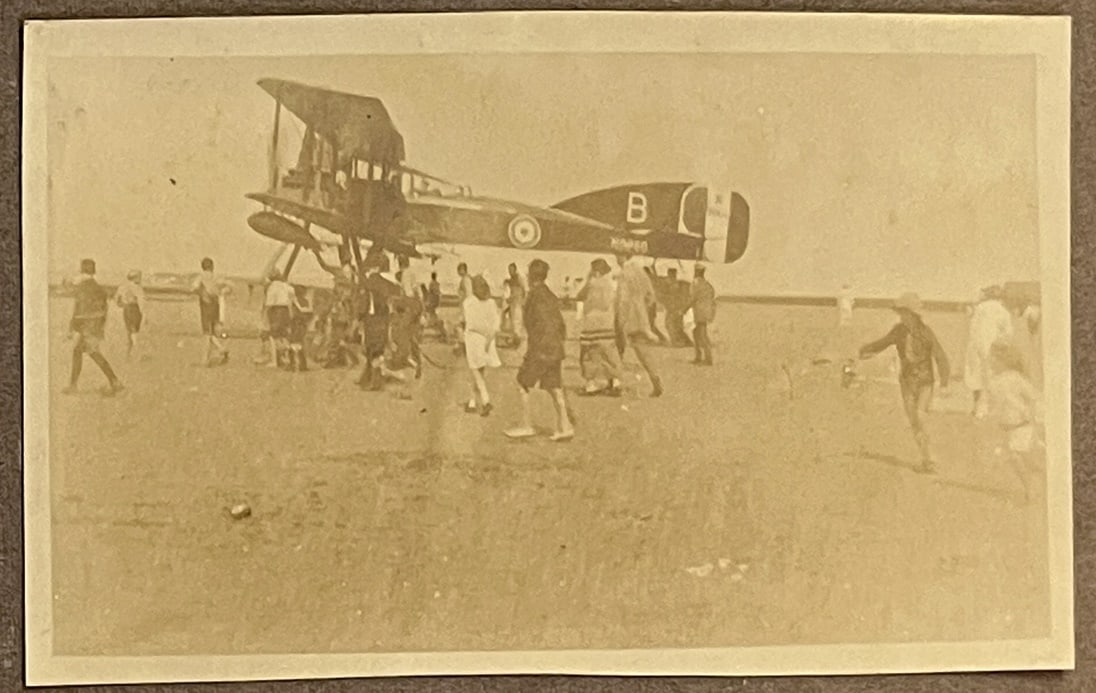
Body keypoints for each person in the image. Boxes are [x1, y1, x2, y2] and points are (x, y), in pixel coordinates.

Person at [859, 293, 950, 474]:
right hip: (907, 382)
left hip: (925, 381)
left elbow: (940, 356)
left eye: (904, 313)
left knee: (920, 416)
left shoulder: (925, 332)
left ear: (913, 314)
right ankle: (926, 460)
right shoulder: (898, 331)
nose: (902, 317)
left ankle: (930, 458)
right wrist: (866, 349)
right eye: (900, 313)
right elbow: (883, 343)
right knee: (914, 421)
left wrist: (945, 382)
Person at [505, 259, 574, 441]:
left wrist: (522, 342)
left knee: (522, 383)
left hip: (540, 348)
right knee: (555, 387)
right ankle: (565, 426)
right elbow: (560, 325)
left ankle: (526, 425)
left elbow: (532, 324)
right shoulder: (551, 296)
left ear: (531, 277)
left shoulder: (533, 297)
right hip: (556, 348)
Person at [985, 339, 1042, 502]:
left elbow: (1033, 395)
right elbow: (991, 402)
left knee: (1016, 455)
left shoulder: (1015, 377)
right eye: (991, 359)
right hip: (1006, 426)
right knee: (1022, 457)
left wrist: (1031, 414)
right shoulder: (993, 381)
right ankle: (1035, 480)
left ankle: (1030, 489)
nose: (991, 362)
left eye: (994, 359)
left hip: (1021, 424)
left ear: (1004, 360)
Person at [63, 259, 124, 396]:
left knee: (92, 353)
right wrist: (100, 326)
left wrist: (72, 328)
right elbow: (104, 309)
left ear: (82, 271)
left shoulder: (81, 288)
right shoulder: (99, 289)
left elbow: (79, 310)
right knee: (81, 351)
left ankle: (115, 382)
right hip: (96, 325)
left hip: (86, 326)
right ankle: (74, 385)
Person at [615, 254, 664, 397]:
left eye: (617, 256)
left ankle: (615, 384)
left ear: (622, 257)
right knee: (643, 352)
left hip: (626, 318)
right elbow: (651, 296)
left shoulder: (625, 273)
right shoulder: (640, 271)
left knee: (617, 351)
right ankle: (655, 379)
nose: (616, 259)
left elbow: (623, 300)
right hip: (640, 318)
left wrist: (620, 321)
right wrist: (642, 310)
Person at [964, 285, 1015, 419]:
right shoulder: (1004, 311)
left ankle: (976, 408)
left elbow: (972, 328)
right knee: (991, 379)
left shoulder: (979, 309)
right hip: (993, 348)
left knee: (976, 378)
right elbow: (1008, 335)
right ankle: (987, 410)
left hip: (975, 347)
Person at [577, 258, 623, 396]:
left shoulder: (591, 283)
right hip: (607, 324)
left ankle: (591, 384)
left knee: (590, 355)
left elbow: (579, 296)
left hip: (591, 324)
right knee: (610, 355)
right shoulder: (611, 284)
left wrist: (587, 278)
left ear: (595, 271)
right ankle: (615, 382)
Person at [356, 257, 400, 390]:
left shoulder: (367, 283)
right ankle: (368, 377)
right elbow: (395, 295)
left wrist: (358, 318)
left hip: (371, 320)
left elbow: (362, 304)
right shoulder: (386, 283)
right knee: (378, 348)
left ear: (372, 269)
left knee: (371, 349)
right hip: (383, 319)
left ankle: (375, 381)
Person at [462, 275, 503, 415]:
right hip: (488, 341)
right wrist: (489, 336)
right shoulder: (491, 303)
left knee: (474, 371)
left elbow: (471, 323)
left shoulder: (468, 302)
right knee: (479, 371)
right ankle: (472, 402)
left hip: (473, 340)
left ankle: (485, 400)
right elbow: (496, 324)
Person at [191, 257, 231, 366]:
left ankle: (219, 349)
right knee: (212, 332)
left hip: (206, 306)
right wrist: (221, 292)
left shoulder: (201, 277)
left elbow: (194, 287)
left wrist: (201, 293)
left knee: (206, 333)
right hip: (215, 304)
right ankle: (208, 358)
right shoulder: (216, 277)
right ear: (212, 266)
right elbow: (229, 286)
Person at [264, 269, 294, 368]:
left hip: (276, 311)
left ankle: (274, 360)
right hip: (286, 310)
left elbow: (269, 303)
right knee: (283, 335)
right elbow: (291, 297)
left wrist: (264, 315)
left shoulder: (272, 287)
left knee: (273, 336)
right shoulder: (286, 286)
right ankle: (287, 356)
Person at [115, 269, 146, 359]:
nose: (140, 279)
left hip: (126, 310)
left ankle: (128, 355)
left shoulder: (122, 287)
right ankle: (138, 354)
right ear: (135, 278)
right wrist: (144, 313)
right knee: (134, 332)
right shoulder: (137, 287)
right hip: (135, 310)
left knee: (130, 332)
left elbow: (116, 298)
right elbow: (141, 301)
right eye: (139, 277)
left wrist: (122, 304)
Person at [690, 264, 716, 365]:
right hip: (706, 312)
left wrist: (683, 309)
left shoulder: (695, 284)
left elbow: (693, 299)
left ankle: (707, 359)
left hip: (699, 312)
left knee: (702, 335)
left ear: (696, 272)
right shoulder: (708, 285)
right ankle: (698, 356)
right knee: (696, 333)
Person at [286, 285, 314, 372]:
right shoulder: (306, 301)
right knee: (300, 343)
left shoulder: (294, 302)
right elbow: (310, 314)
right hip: (303, 325)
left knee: (293, 343)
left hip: (295, 324)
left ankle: (293, 364)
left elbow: (291, 314)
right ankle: (302, 364)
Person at [664, 267, 693, 346]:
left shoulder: (673, 285)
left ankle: (676, 342)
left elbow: (672, 298)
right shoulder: (677, 283)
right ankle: (687, 342)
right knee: (677, 326)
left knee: (670, 324)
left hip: (673, 309)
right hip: (677, 308)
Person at [502, 262, 527, 343]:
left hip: (518, 302)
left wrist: (523, 301)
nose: (510, 271)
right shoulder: (510, 280)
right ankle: (515, 338)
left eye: (511, 270)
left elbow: (523, 290)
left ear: (515, 270)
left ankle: (517, 338)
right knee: (513, 320)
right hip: (513, 302)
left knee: (517, 320)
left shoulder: (519, 278)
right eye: (509, 270)